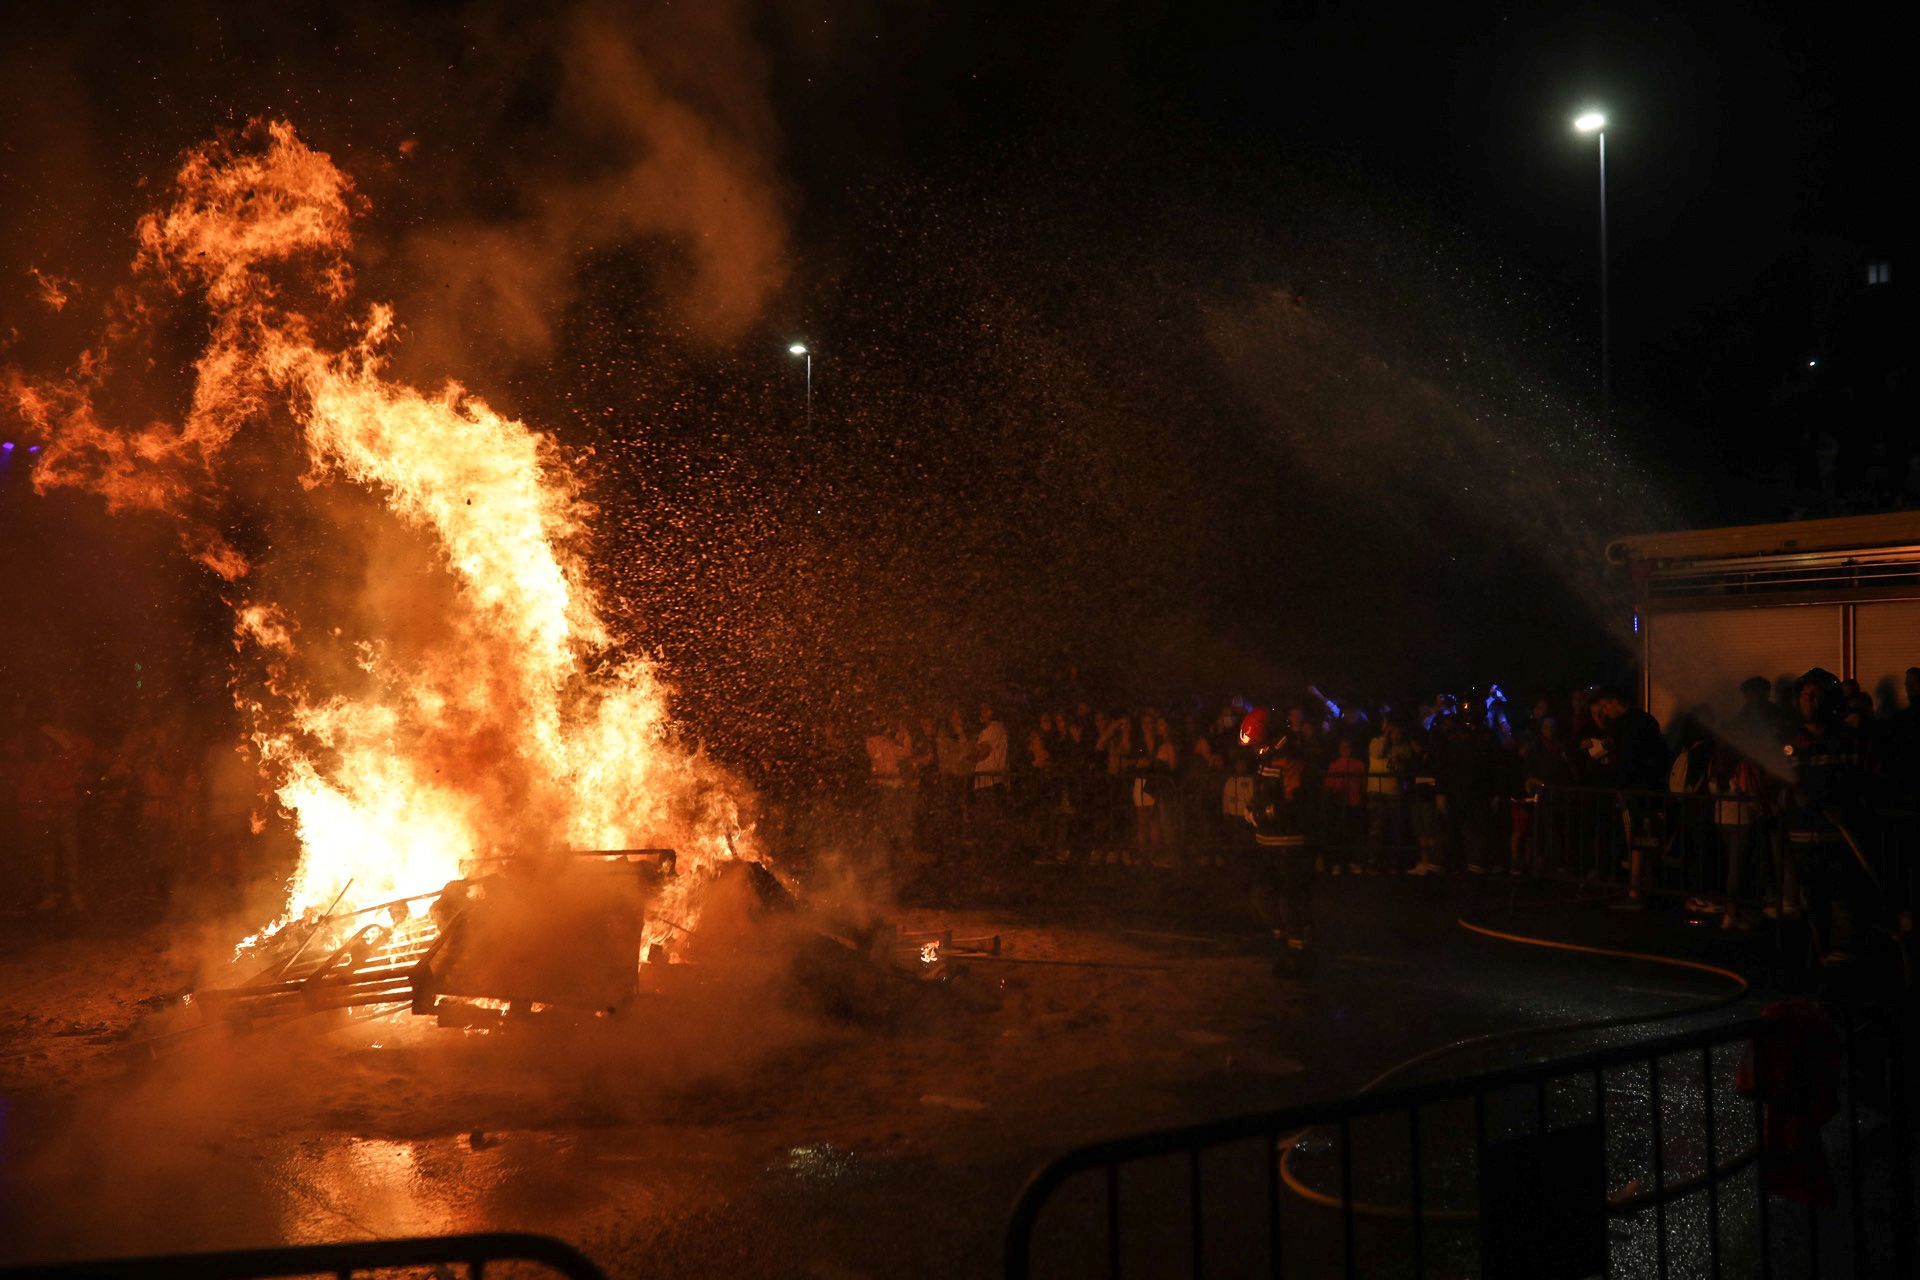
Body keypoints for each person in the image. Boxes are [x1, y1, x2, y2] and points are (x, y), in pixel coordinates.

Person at [1241, 708, 1315, 973]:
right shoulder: (1267, 758)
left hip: (1289, 842)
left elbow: (1293, 804)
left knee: (1289, 900)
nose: (1255, 750)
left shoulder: (1292, 759)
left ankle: (1298, 953)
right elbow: (1264, 792)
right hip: (1268, 842)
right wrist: (1252, 808)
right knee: (1262, 896)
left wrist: (1260, 814)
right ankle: (1285, 942)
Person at [1323, 735, 1367, 874]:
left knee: (1353, 833)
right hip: (1338, 802)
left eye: (1347, 747)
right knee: (1338, 833)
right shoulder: (1335, 765)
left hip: (1354, 802)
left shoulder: (1359, 764)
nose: (1345, 749)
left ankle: (1352, 861)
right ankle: (1338, 862)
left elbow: (1363, 783)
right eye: (1343, 747)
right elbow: (1329, 785)